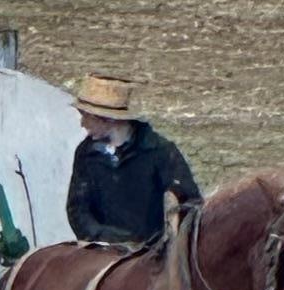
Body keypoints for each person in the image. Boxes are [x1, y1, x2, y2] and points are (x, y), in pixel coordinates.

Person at [65, 72, 202, 245]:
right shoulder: (86, 153)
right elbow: (77, 209)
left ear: (108, 120)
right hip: (101, 252)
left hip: (149, 255)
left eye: (87, 117)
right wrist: (103, 239)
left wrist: (169, 241)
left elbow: (189, 202)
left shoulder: (159, 151)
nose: (82, 123)